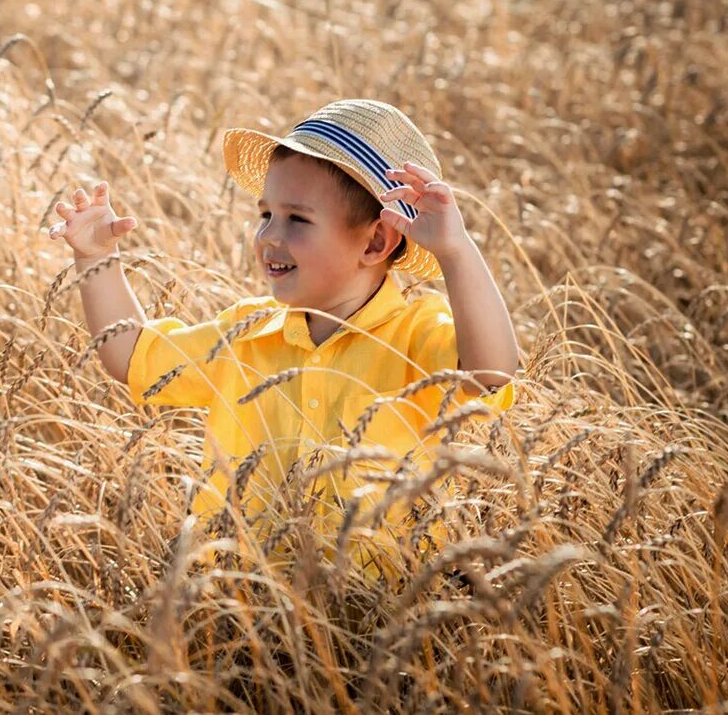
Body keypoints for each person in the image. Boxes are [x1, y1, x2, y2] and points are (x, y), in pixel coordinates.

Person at [46, 99, 520, 577]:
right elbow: (131, 357)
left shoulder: (417, 334)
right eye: (265, 214)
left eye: (298, 219)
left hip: (382, 609)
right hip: (248, 608)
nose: (270, 236)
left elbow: (491, 373)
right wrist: (95, 258)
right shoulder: (246, 333)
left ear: (375, 242)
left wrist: (456, 254)